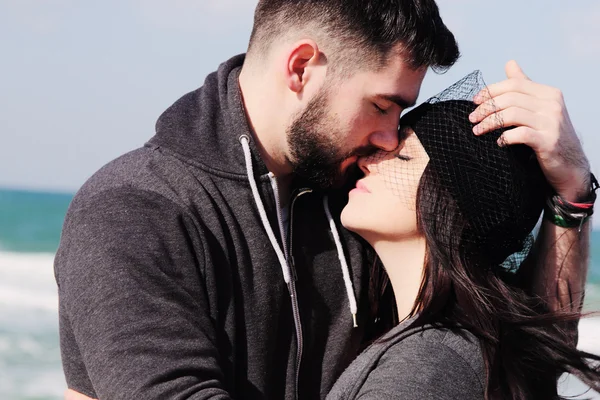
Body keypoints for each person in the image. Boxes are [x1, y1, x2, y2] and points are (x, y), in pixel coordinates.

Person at [56, 1, 594, 399]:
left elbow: (524, 348)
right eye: (383, 105)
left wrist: (572, 194)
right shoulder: (136, 210)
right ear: (301, 68)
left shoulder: (358, 200)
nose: (389, 138)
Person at [326, 73, 600, 400]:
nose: (368, 160)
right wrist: (572, 194)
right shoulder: (474, 346)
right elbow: (546, 345)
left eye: (401, 156)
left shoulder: (422, 370)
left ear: (448, 201)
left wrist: (573, 188)